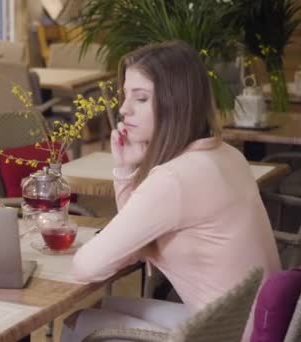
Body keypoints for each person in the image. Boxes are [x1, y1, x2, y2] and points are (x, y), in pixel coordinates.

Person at [62, 41, 281, 341]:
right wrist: (126, 169)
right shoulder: (227, 154)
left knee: (78, 323)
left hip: (226, 334)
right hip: (260, 326)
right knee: (103, 306)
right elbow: (136, 242)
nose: (123, 110)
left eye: (140, 98)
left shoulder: (174, 179)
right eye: (125, 96)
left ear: (175, 102)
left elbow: (86, 267)